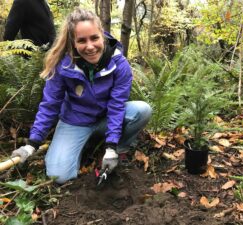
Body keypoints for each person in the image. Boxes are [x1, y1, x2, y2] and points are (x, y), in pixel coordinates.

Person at [11, 8, 152, 184]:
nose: (90, 46)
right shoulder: (62, 65)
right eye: (82, 40)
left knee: (142, 110)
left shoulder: (119, 63)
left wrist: (111, 147)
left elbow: (117, 106)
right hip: (75, 122)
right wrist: (32, 144)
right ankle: (85, 143)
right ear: (73, 42)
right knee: (60, 175)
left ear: (102, 35)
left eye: (94, 38)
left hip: (105, 118)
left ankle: (117, 149)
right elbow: (50, 105)